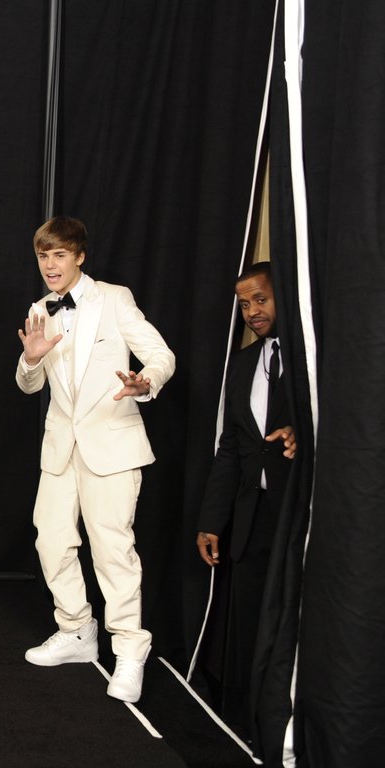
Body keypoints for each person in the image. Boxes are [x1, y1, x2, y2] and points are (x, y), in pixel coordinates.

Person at [16, 216, 175, 703]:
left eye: (59, 255)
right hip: (61, 448)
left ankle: (129, 650)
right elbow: (29, 386)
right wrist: (31, 359)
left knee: (112, 552)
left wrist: (144, 383)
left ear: (80, 256)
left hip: (112, 444)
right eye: (43, 256)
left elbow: (161, 356)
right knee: (52, 542)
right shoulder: (39, 309)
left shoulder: (115, 298)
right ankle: (76, 630)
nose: (50, 265)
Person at [195, 260, 296, 738]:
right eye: (244, 304)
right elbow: (232, 448)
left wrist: (304, 434)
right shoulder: (242, 363)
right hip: (251, 520)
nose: (252, 311)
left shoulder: (317, 358)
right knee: (252, 622)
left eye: (260, 299)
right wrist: (211, 521)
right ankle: (252, 723)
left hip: (301, 517)